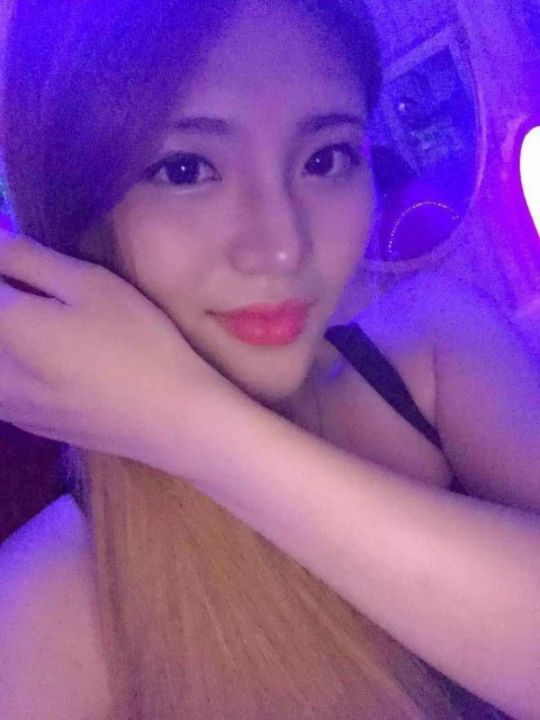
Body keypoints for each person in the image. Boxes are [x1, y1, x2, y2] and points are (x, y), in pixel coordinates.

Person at [0, 1, 538, 718]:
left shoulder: (437, 349)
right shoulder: (47, 609)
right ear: (79, 216)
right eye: (185, 169)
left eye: (325, 158)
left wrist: (190, 428)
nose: (282, 247)